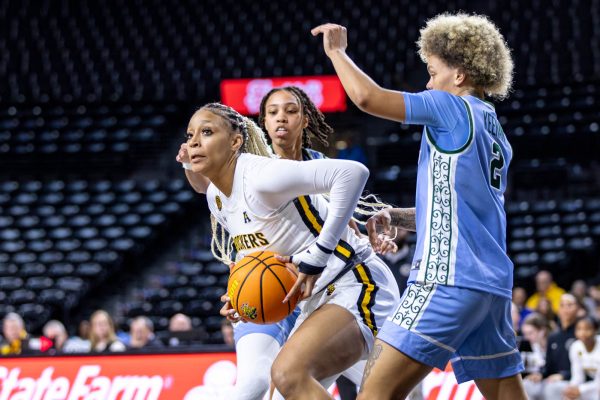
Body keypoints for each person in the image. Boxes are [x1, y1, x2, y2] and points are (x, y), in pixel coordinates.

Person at [312, 13, 527, 399]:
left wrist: (337, 53)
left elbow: (367, 98)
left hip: (445, 279)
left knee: (374, 394)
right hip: (490, 288)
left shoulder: (450, 107)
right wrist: (396, 216)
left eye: (432, 71)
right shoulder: (495, 129)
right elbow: (466, 211)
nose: (428, 82)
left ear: (459, 75)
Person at [177, 87, 401, 399]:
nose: (194, 142)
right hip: (316, 298)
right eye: (190, 135)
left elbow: (352, 173)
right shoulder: (216, 196)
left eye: (207, 131)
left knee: (289, 374)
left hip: (355, 281)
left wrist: (320, 252)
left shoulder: (262, 176)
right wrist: (240, 294)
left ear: (235, 141)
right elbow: (254, 254)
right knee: (280, 391)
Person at [563, 317, 600, 400]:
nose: (582, 333)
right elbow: (577, 376)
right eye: (579, 329)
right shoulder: (575, 347)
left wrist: (580, 389)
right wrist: (571, 388)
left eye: (587, 329)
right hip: (592, 386)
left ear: (595, 330)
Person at [520, 313, 551, 399]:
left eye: (530, 333)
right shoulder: (532, 347)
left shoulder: (552, 344)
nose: (527, 338)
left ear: (542, 331)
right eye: (525, 334)